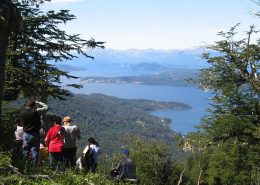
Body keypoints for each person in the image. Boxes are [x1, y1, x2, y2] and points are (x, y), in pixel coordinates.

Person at [20, 100, 48, 164]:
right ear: (34, 105)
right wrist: (40, 102)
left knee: (26, 150)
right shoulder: (36, 111)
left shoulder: (22, 112)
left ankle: (25, 164)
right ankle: (34, 165)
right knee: (35, 150)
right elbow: (46, 107)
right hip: (35, 133)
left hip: (26, 133)